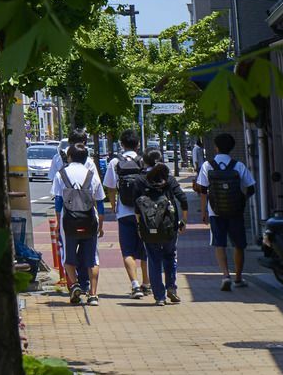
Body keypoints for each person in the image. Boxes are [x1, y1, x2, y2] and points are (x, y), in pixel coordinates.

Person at [194, 130, 258, 291]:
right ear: (231, 148)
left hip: (216, 211)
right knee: (239, 245)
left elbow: (203, 190)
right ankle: (238, 277)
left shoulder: (207, 165)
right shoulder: (239, 165)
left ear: (215, 147)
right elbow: (251, 187)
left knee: (219, 244)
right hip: (235, 211)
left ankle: (225, 275)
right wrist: (241, 200)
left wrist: (204, 212)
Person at [54, 141, 103, 305]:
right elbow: (100, 203)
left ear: (69, 156)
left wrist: (57, 223)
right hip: (90, 220)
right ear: (85, 158)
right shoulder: (92, 175)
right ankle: (93, 295)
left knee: (68, 256)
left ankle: (74, 284)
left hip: (68, 221)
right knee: (92, 258)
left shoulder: (61, 174)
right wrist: (101, 225)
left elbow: (58, 202)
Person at [104, 129, 150, 297]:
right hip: (144, 212)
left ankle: (135, 285)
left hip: (124, 213)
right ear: (138, 144)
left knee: (127, 251)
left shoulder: (115, 162)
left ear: (121, 144)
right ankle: (147, 283)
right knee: (146, 248)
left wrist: (114, 205)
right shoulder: (144, 161)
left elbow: (110, 187)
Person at [134, 150, 183, 305]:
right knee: (170, 255)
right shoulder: (168, 179)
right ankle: (171, 287)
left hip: (149, 225)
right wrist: (183, 220)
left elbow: (136, 205)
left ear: (145, 162)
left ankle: (159, 297)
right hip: (169, 225)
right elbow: (182, 198)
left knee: (154, 260)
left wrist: (139, 224)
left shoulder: (140, 180)